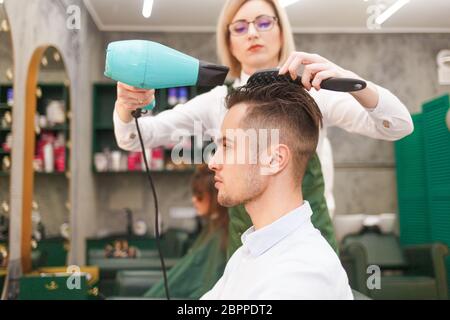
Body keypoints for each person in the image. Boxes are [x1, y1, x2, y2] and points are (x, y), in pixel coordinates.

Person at [113, 0, 413, 257]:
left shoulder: (313, 93)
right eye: (240, 27)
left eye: (264, 22)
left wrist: (352, 81)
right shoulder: (216, 102)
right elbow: (133, 138)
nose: (253, 32)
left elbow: (397, 126)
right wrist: (126, 106)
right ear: (229, 41)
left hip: (309, 239)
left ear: (282, 32)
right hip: (247, 246)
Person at [202, 80, 353, 299]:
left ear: (274, 160)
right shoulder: (249, 252)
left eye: (227, 146)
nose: (213, 162)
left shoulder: (301, 276)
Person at [144, 165, 228, 299]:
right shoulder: (213, 229)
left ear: (215, 196)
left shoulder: (221, 237)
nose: (193, 200)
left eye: (199, 195)